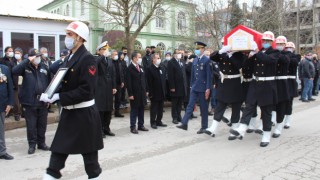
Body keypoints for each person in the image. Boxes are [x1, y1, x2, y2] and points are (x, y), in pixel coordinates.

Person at [40, 21, 103, 179]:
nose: (66, 37)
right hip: (70, 114)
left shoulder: (87, 59)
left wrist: (59, 97)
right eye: (66, 34)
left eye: (70, 34)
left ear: (80, 38)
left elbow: (86, 90)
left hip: (84, 115)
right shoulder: (70, 57)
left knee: (91, 163)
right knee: (57, 156)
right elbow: (66, 82)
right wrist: (51, 94)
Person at [229, 31, 279, 147]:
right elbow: (247, 66)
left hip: (267, 85)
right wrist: (249, 55)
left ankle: (266, 134)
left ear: (272, 42)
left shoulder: (275, 52)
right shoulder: (258, 52)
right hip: (255, 83)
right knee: (249, 106)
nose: (265, 42)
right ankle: (242, 128)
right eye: (264, 41)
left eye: (267, 41)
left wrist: (256, 52)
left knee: (266, 111)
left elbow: (268, 60)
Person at [12, 48, 51, 154]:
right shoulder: (25, 67)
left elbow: (49, 82)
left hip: (42, 101)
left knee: (42, 124)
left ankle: (41, 143)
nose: (37, 59)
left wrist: (49, 99)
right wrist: (27, 61)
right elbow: (14, 71)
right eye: (35, 57)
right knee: (31, 125)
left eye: (38, 56)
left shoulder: (44, 67)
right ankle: (32, 145)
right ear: (30, 58)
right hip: (29, 102)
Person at [207, 44, 245, 139]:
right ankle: (213, 128)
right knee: (220, 105)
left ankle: (234, 128)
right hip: (224, 83)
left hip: (235, 83)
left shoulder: (240, 55)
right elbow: (212, 57)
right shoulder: (223, 54)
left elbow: (238, 65)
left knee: (236, 107)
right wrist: (220, 51)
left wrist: (231, 55)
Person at [177, 42, 212, 134]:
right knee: (190, 105)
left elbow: (209, 75)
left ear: (203, 49)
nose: (197, 50)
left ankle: (204, 127)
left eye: (199, 48)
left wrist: (208, 88)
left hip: (203, 87)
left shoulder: (207, 60)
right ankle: (184, 123)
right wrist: (191, 85)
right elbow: (193, 74)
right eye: (196, 48)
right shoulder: (195, 60)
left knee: (204, 108)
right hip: (195, 87)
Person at [95, 41, 117, 138]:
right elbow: (94, 65)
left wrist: (114, 86)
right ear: (99, 51)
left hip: (108, 87)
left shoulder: (109, 60)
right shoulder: (96, 58)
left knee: (108, 109)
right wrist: (101, 56)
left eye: (106, 49)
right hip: (100, 87)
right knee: (101, 109)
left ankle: (106, 128)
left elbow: (113, 74)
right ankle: (100, 130)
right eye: (104, 49)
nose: (106, 51)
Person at [272, 36, 291, 138]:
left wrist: (276, 52)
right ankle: (270, 122)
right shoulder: (273, 53)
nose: (279, 46)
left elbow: (285, 60)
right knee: (271, 104)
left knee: (281, 105)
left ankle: (279, 126)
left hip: (282, 83)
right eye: (278, 44)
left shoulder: (287, 54)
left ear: (285, 45)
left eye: (281, 44)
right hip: (272, 81)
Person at [126, 52, 149, 134]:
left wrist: (146, 90)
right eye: (139, 57)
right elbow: (128, 83)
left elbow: (144, 80)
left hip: (142, 92)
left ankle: (141, 125)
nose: (140, 58)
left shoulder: (141, 67)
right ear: (134, 58)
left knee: (141, 109)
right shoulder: (129, 68)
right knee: (134, 110)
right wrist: (130, 94)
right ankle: (132, 127)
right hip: (134, 93)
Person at [146, 53, 167, 129]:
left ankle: (159, 121)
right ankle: (153, 122)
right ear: (153, 59)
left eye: (159, 58)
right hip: (154, 92)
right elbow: (148, 82)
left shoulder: (162, 67)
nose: (159, 60)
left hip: (161, 92)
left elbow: (164, 81)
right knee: (154, 108)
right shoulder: (149, 69)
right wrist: (150, 93)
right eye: (157, 58)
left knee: (161, 108)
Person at [283, 42, 300, 129]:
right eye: (287, 48)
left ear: (293, 49)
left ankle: (287, 120)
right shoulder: (283, 55)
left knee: (289, 102)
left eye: (290, 48)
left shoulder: (296, 56)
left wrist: (288, 54)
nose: (289, 49)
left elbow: (294, 62)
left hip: (291, 82)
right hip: (283, 81)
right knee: (280, 102)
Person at [167, 49, 187, 124]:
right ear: (174, 54)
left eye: (180, 53)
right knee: (175, 103)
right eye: (178, 53)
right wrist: (172, 87)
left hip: (181, 86)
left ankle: (179, 116)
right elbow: (170, 76)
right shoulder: (171, 62)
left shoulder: (181, 61)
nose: (180, 54)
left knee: (179, 103)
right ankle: (174, 117)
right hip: (175, 86)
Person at [0, 64, 14, 160]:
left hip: (2, 104)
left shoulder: (5, 68)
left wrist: (10, 103)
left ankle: (2, 151)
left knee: (0, 130)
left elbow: (10, 87)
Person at [112, 50, 125, 117]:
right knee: (111, 99)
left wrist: (122, 81)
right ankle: (110, 112)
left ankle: (117, 112)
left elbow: (121, 73)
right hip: (111, 84)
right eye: (114, 54)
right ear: (111, 55)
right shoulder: (110, 62)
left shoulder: (119, 62)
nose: (116, 55)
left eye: (116, 54)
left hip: (118, 83)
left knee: (118, 98)